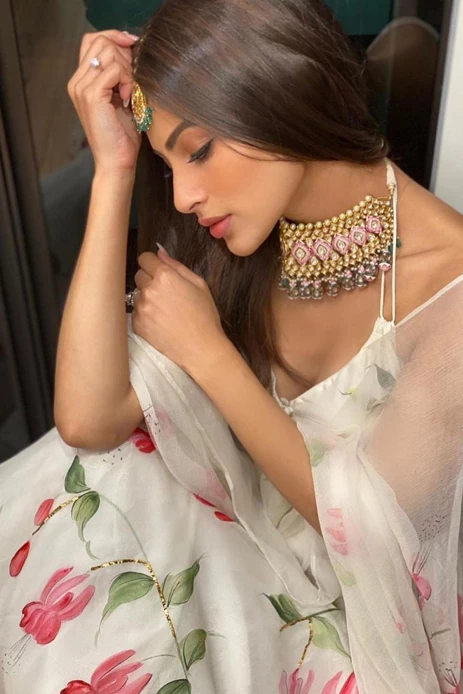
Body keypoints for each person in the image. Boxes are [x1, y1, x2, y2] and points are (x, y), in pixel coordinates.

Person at [1, 1, 462, 692]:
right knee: (105, 475)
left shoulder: (450, 286)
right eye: (167, 166)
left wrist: (210, 357)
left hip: (359, 624)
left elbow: (376, 540)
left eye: (198, 150)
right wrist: (113, 170)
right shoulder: (247, 239)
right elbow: (89, 420)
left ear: (278, 93)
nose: (184, 197)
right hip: (248, 552)